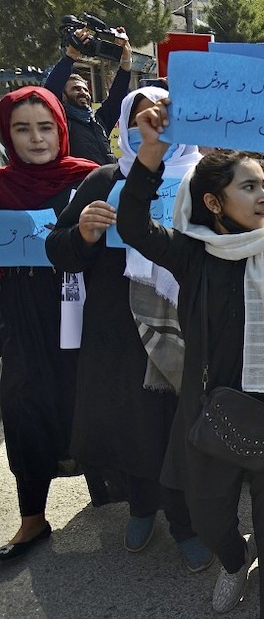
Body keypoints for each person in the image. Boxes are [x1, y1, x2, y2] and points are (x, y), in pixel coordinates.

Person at [116, 98, 264, 619]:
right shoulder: (191, 253)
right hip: (209, 412)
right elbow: (131, 227)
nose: (263, 197)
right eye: (248, 187)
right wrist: (150, 154)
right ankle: (235, 562)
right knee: (210, 520)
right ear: (214, 203)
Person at [45, 87, 213, 570]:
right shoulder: (102, 180)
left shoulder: (202, 179)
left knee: (180, 423)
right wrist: (84, 233)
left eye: (160, 120)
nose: (150, 130)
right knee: (134, 423)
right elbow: (56, 250)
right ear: (124, 125)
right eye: (140, 121)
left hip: (184, 321)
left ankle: (185, 521)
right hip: (117, 329)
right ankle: (142, 506)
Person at [0, 87, 99, 563]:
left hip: (79, 307)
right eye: (22, 128)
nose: (35, 139)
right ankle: (32, 518)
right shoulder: (0, 186)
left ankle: (111, 488)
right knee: (23, 407)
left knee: (88, 397)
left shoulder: (89, 180)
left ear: (61, 128)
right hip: (20, 317)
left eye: (45, 127)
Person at [43, 28, 133, 165]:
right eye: (76, 89)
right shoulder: (61, 124)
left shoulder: (98, 121)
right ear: (64, 97)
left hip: (107, 182)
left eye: (85, 89)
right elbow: (49, 93)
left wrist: (126, 60)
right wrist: (70, 57)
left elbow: (117, 97)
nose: (83, 92)